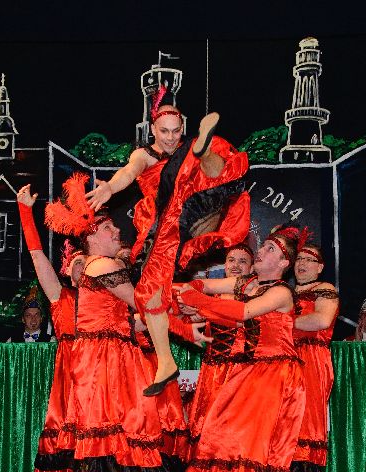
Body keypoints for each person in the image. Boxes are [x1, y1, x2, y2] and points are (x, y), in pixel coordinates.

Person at [85, 91, 251, 397]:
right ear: (153, 130)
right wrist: (110, 187)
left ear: (182, 127)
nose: (171, 137)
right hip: (168, 219)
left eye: (176, 131)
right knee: (149, 292)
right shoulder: (143, 155)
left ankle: (205, 152)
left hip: (192, 203)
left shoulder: (183, 149)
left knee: (204, 163)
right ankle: (166, 363)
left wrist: (196, 151)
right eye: (164, 132)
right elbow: (129, 172)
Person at [45, 174, 174, 472]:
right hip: (104, 354)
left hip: (107, 351)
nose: (117, 230)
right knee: (106, 429)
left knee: (111, 430)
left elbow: (130, 314)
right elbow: (143, 302)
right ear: (91, 237)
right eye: (108, 228)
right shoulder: (103, 265)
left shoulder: (97, 267)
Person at [177, 226, 308, 472]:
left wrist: (198, 302)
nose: (262, 251)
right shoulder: (246, 283)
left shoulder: (281, 292)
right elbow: (205, 286)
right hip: (251, 369)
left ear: (284, 263)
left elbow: (244, 312)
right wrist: (187, 294)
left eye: (271, 249)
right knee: (257, 446)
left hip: (275, 370)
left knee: (248, 443)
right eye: (264, 246)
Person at [13, 183, 92, 472]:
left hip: (100, 371)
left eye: (87, 264)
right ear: (67, 271)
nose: (83, 269)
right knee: (62, 437)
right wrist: (25, 212)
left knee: (93, 440)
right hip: (72, 372)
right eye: (77, 264)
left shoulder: (109, 297)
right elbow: (36, 256)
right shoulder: (60, 297)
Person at [290, 240, 339, 472]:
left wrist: (280, 321)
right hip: (282, 360)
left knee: (306, 430)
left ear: (320, 267)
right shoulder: (283, 291)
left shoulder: (325, 289)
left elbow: (321, 320)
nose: (302, 264)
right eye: (299, 259)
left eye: (309, 260)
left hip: (310, 361)